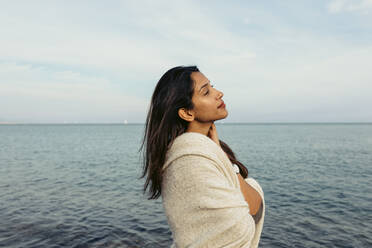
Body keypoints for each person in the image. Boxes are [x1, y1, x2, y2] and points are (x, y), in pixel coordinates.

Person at [140, 66, 265, 247]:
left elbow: (254, 208)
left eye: (212, 87)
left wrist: (223, 158)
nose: (219, 93)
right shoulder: (189, 159)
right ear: (187, 112)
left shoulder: (210, 150)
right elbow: (240, 225)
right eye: (206, 92)